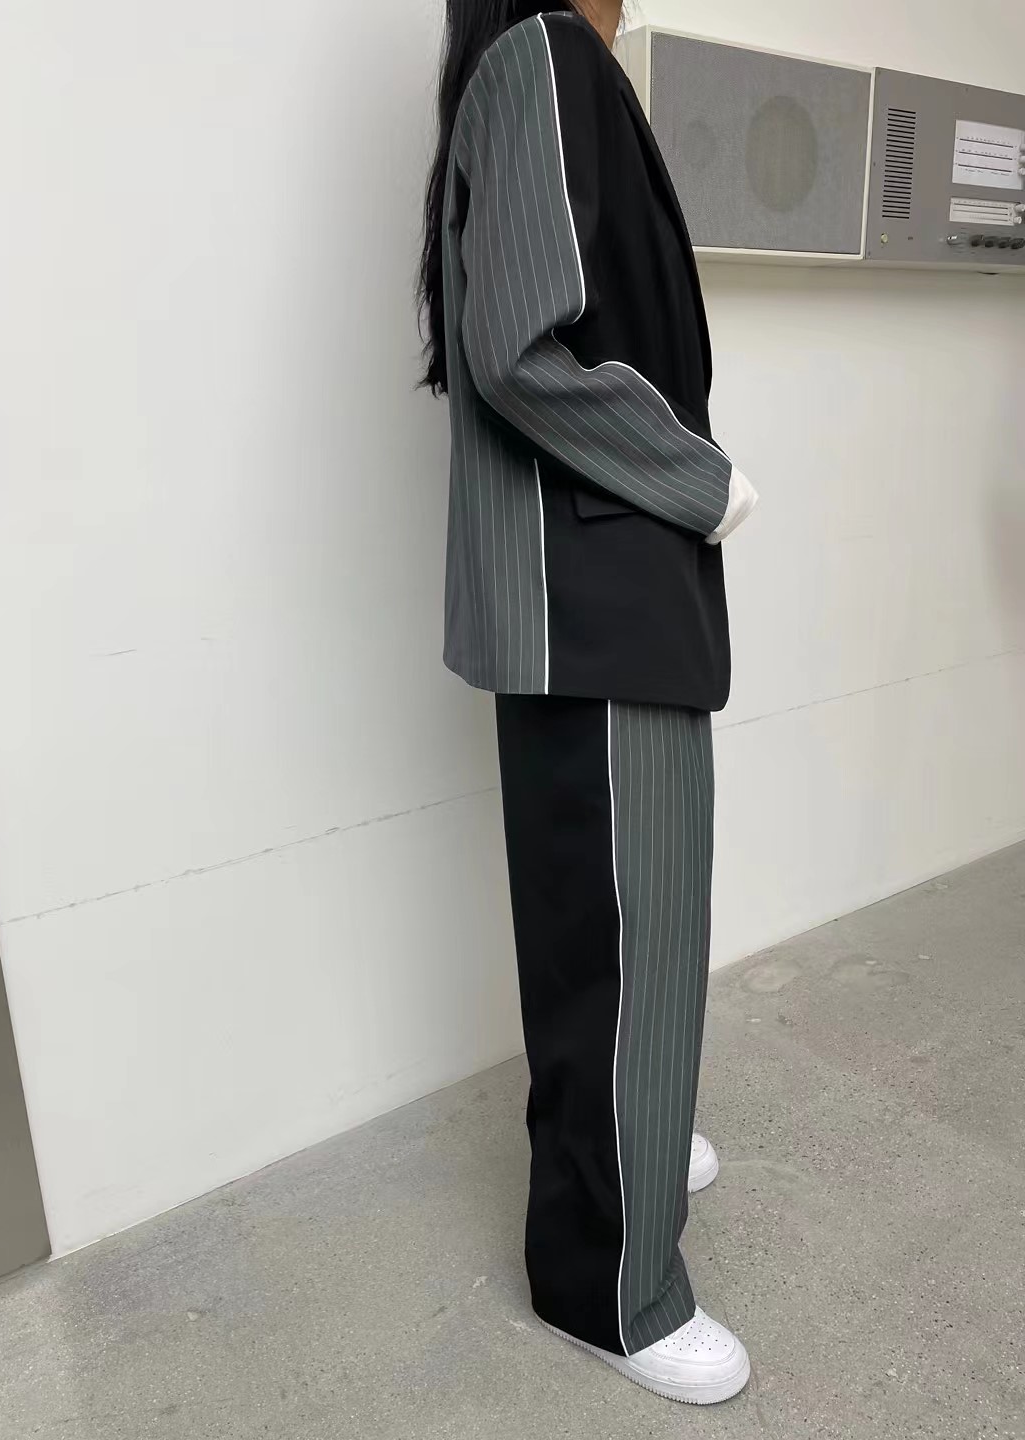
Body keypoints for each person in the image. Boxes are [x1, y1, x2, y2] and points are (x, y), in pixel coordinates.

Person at [418, 0, 759, 1407]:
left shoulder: (546, 65)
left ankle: (631, 1136)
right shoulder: (543, 57)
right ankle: (608, 1287)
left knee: (620, 928)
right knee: (626, 932)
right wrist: (699, 476)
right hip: (592, 594)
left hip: (594, 592)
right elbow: (520, 346)